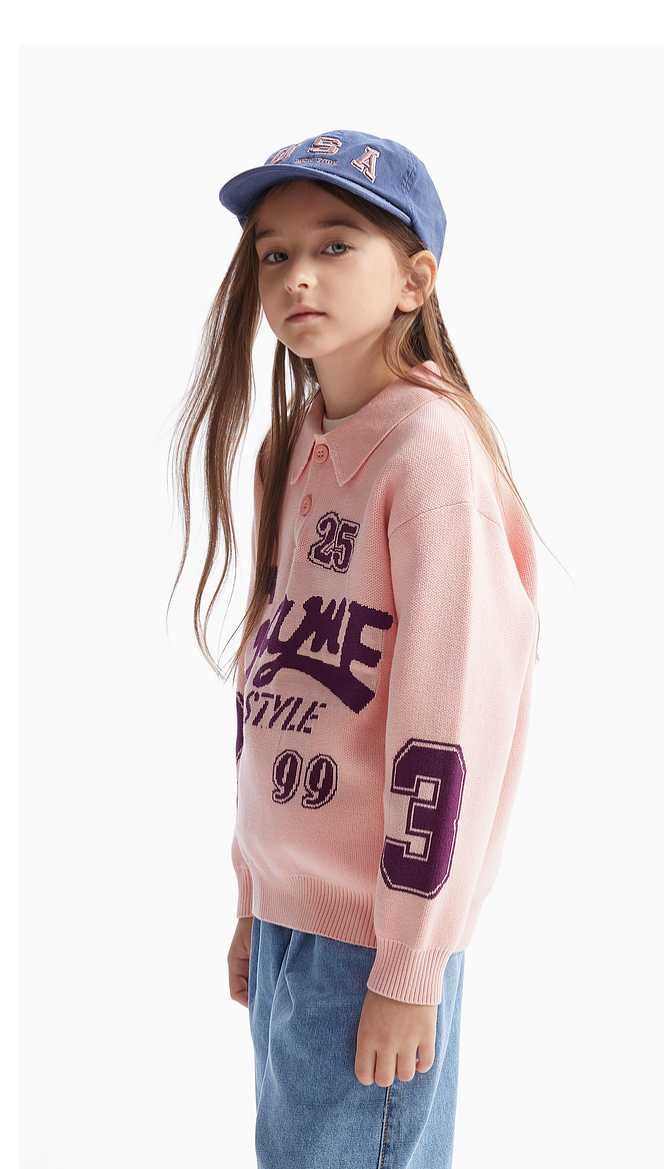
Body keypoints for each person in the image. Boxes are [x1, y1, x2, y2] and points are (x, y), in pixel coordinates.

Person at [170, 129, 539, 1169]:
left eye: (336, 245)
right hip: (293, 920)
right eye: (274, 253)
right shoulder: (293, 448)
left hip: (376, 935)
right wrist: (256, 898)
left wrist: (411, 963)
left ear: (415, 279)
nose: (298, 275)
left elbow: (448, 728)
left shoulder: (431, 456)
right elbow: (272, 680)